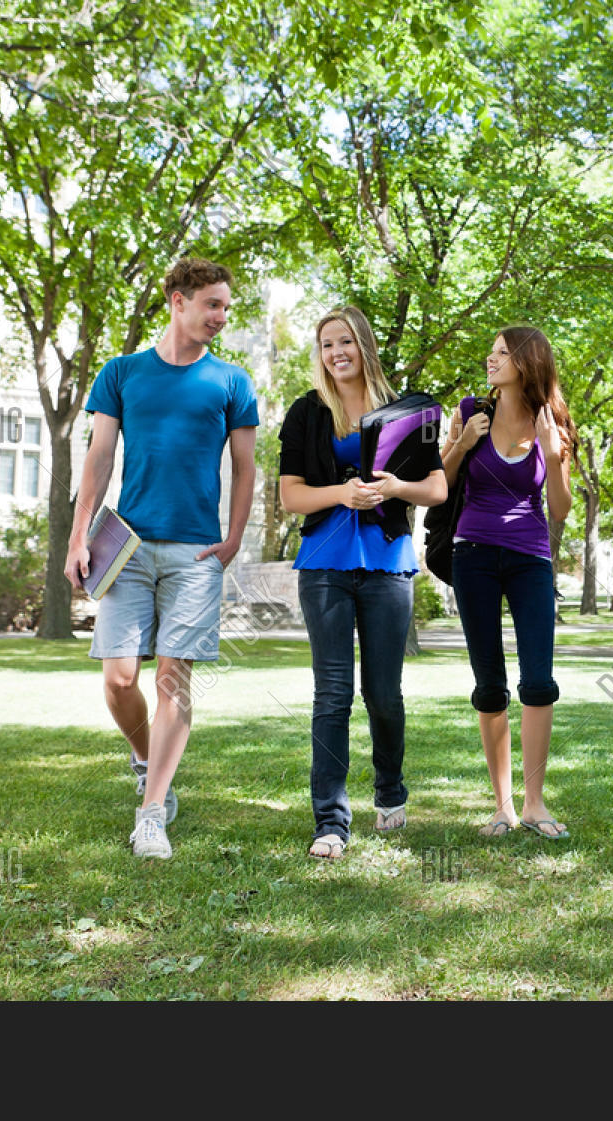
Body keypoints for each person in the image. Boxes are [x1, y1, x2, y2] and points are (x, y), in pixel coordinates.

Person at [65, 257, 258, 860]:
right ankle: (148, 757)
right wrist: (78, 537)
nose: (221, 317)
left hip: (197, 553)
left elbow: (248, 468)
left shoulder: (232, 382)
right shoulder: (122, 374)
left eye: (226, 307)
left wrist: (232, 539)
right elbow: (97, 461)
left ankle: (152, 812)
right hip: (127, 547)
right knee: (119, 679)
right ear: (178, 301)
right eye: (212, 305)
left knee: (174, 680)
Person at [277, 307, 447, 860]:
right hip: (324, 565)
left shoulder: (408, 411)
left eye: (345, 341)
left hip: (388, 564)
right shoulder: (306, 413)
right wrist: (341, 494)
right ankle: (330, 821)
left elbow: (438, 490)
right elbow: (291, 496)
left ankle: (390, 793)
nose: (335, 353)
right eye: (326, 344)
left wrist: (397, 486)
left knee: (383, 694)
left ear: (364, 345)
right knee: (332, 694)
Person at [442, 327, 575, 839]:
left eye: (502, 353)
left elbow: (559, 510)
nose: (491, 360)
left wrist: (553, 452)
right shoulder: (471, 410)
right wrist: (463, 442)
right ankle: (502, 806)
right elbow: (440, 484)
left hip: (530, 559)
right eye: (491, 352)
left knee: (538, 681)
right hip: (471, 554)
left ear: (527, 362)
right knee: (490, 684)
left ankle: (535, 803)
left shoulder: (553, 421)